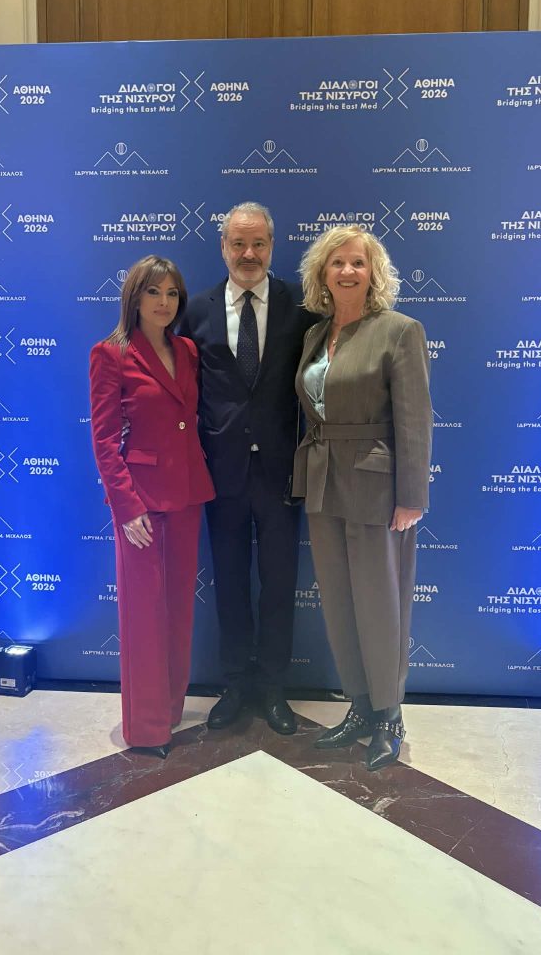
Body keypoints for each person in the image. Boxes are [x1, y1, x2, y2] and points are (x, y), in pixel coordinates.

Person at [293, 225, 432, 770]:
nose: (347, 271)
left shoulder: (400, 331)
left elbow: (415, 419)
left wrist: (411, 495)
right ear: (322, 274)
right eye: (337, 263)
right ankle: (359, 705)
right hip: (322, 481)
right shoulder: (315, 335)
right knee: (339, 602)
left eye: (358, 262)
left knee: (380, 602)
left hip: (376, 485)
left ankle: (389, 715)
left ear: (373, 272)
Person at [180, 202, 319, 733]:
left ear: (272, 246)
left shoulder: (300, 308)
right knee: (231, 582)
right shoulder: (196, 310)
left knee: (280, 584)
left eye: (258, 243)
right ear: (223, 247)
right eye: (238, 243)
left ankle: (274, 687)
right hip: (222, 473)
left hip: (283, 473)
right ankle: (236, 683)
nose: (248, 253)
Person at [89, 255, 214, 759]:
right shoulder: (111, 353)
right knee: (144, 612)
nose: (164, 302)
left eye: (172, 293)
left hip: (187, 493)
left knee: (178, 609)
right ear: (135, 298)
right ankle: (145, 728)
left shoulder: (187, 350)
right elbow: (103, 441)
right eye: (154, 292)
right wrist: (126, 506)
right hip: (139, 501)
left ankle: (170, 710)